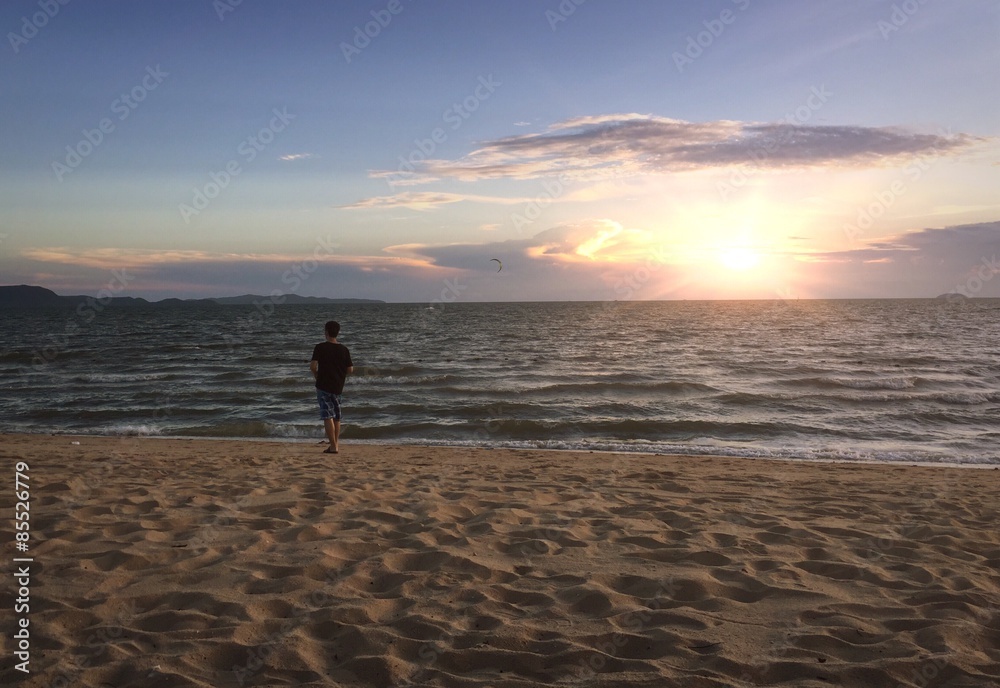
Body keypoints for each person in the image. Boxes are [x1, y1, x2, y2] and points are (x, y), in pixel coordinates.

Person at [310, 320, 353, 454]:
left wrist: (317, 375)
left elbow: (312, 366)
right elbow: (350, 369)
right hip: (338, 386)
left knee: (327, 416)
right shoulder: (344, 349)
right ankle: (335, 444)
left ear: (326, 332)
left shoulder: (320, 347)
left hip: (323, 386)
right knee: (336, 417)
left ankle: (333, 446)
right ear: (337, 333)